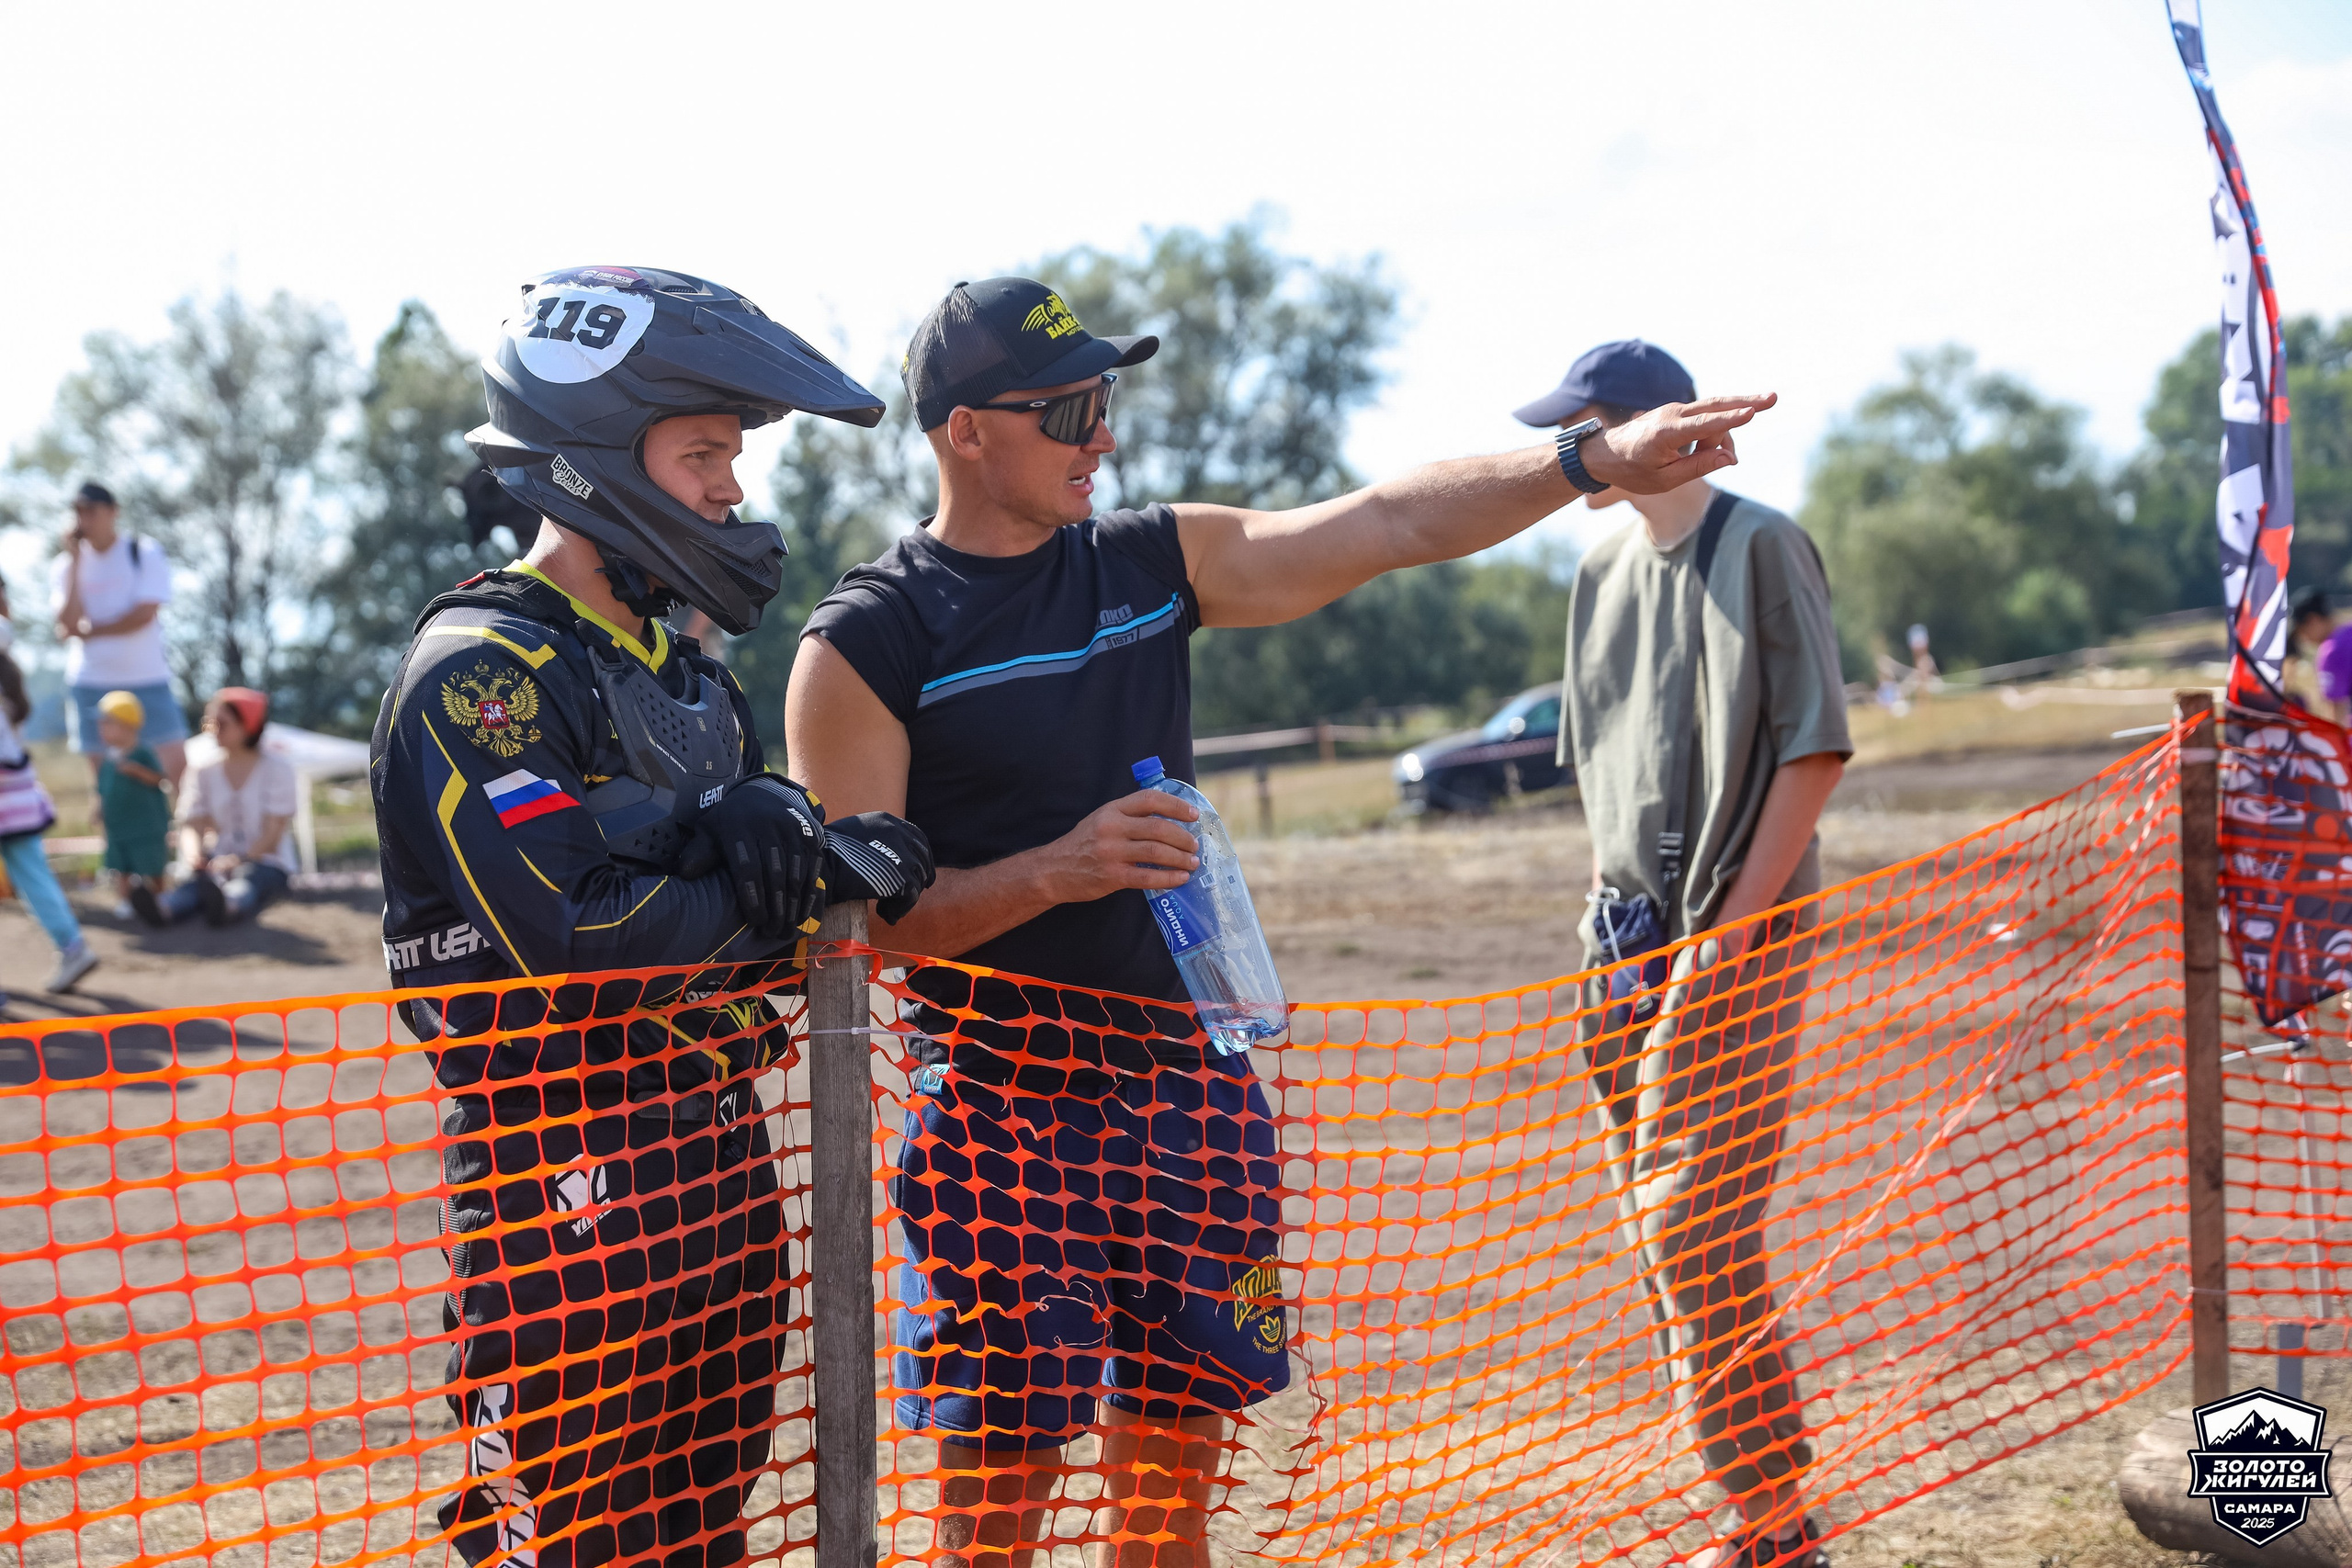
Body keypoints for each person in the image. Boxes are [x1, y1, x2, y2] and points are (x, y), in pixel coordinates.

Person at [785, 277, 1774, 1568]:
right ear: (966, 429)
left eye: (1106, 401)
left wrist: (1584, 458)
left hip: (1193, 1098)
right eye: (1073, 408)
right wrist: (1059, 868)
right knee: (993, 1530)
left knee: (1166, 1518)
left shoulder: (1148, 561)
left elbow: (1379, 524)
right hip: (998, 1124)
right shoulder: (868, 640)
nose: (1105, 436)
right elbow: (859, 940)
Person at [372, 265, 933, 1568]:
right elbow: (583, 937)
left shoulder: (692, 685)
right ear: (591, 464)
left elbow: (739, 930)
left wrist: (806, 861)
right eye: (701, 456)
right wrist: (788, 890)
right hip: (557, 1183)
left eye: (730, 456)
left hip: (719, 1161)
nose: (732, 489)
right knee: (577, 1541)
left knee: (706, 1535)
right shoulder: (483, 671)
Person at [1516, 340, 1847, 1568]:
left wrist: (1733, 934)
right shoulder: (1594, 563)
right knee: (1656, 1237)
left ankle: (1773, 1516)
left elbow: (1813, 751)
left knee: (1690, 1224)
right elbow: (1604, 774)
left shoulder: (1763, 545)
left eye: (1591, 425)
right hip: (1619, 944)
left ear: (1656, 421)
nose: (1579, 452)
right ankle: (1759, 1511)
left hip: (1732, 934)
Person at [51, 481, 187, 790]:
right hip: (90, 683)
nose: (83, 518)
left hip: (148, 678)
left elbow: (143, 615)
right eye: (77, 511)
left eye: (90, 510)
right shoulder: (64, 566)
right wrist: (75, 561)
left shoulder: (143, 551)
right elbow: (68, 623)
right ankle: (115, 839)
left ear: (113, 512)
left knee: (178, 771)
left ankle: (188, 835)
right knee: (105, 783)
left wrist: (92, 630)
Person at [0, 571, 98, 996]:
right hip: (16, 786)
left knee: (32, 875)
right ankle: (72, 945)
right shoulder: (7, 668)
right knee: (33, 875)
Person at [146, 688, 297, 926]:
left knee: (248, 879)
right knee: (198, 882)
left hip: (267, 863)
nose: (212, 730)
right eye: (209, 723)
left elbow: (273, 834)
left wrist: (239, 860)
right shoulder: (202, 769)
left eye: (221, 723)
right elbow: (191, 824)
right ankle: (163, 908)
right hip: (217, 861)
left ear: (248, 725)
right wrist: (194, 856)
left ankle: (229, 903)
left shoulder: (278, 768)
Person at [94, 690, 175, 921]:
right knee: (122, 867)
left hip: (147, 826)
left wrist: (136, 771)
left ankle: (162, 897)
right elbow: (102, 788)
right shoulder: (108, 758)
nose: (101, 728)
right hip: (119, 827)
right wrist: (98, 808)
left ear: (128, 725)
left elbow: (160, 778)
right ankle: (126, 900)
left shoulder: (143, 753)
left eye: (107, 722)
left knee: (153, 863)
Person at [2290, 589, 2348, 724]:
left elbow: (2336, 711)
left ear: (2313, 620)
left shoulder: (2332, 651)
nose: (2303, 639)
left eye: (2302, 631)